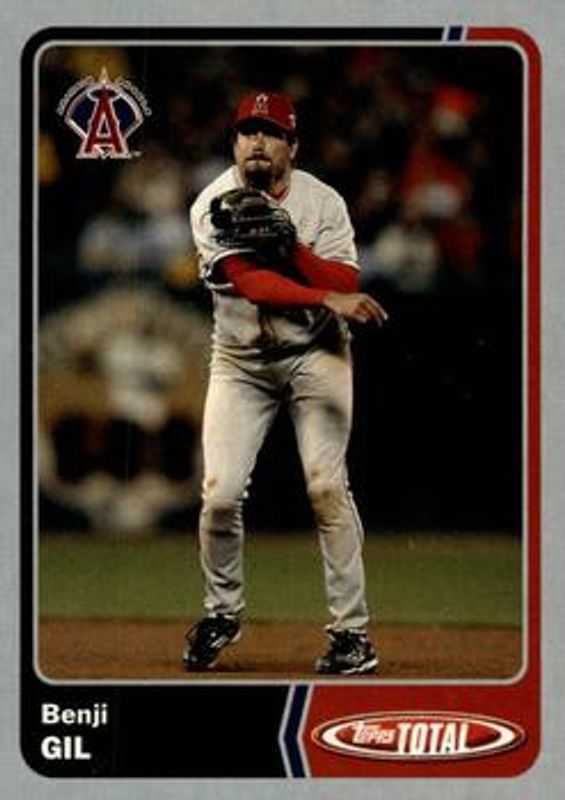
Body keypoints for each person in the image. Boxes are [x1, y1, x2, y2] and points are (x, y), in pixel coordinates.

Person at [184, 90, 388, 674]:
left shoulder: (323, 202)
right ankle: (222, 612)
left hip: (316, 354)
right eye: (247, 130)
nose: (257, 141)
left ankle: (352, 635)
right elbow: (250, 284)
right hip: (241, 362)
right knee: (220, 494)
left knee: (326, 486)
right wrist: (322, 294)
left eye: (271, 132)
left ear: (292, 146)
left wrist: (293, 248)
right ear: (234, 143)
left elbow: (345, 279)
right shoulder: (212, 203)